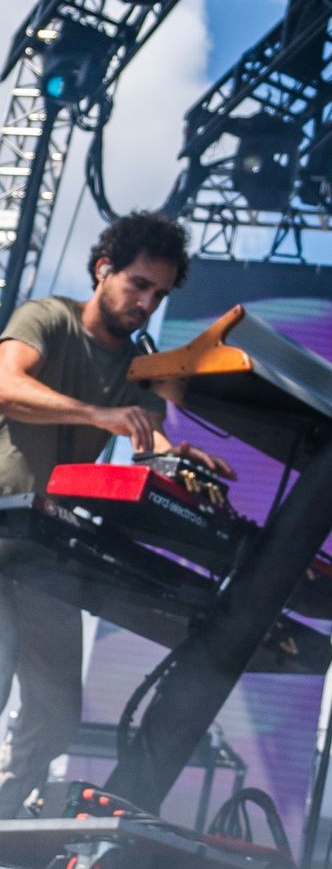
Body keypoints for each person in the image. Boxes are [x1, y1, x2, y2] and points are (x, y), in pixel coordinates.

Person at [0, 211, 201, 817]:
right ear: (103, 270)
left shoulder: (142, 368)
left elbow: (153, 444)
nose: (147, 302)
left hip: (46, 549)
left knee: (56, 714)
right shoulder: (48, 317)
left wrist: (187, 464)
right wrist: (96, 415)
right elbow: (6, 385)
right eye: (138, 285)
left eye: (159, 294)